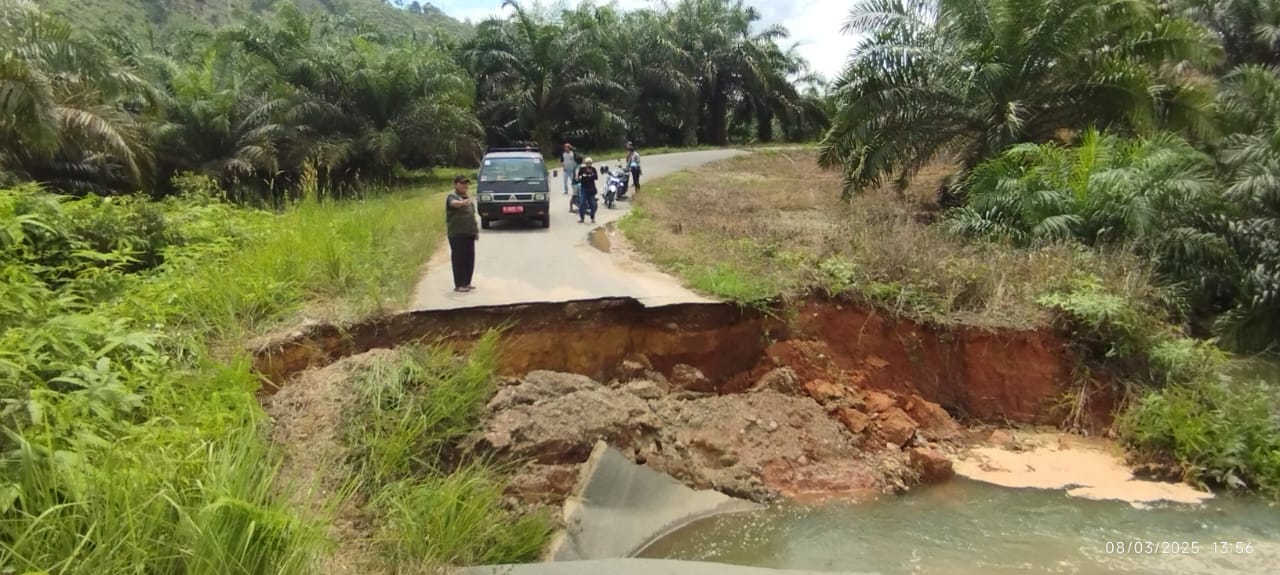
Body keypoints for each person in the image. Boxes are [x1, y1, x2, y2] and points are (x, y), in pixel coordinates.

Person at [445, 174, 479, 292]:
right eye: (462, 183)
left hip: (469, 233)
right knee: (459, 259)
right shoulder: (452, 196)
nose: (465, 185)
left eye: (466, 183)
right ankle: (459, 284)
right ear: (456, 184)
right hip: (457, 234)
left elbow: (472, 216)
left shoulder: (466, 197)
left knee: (469, 259)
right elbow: (453, 203)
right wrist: (463, 202)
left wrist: (475, 231)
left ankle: (467, 283)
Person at [576, 157, 599, 223]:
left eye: (590, 163)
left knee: (593, 205)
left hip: (591, 189)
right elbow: (578, 177)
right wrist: (582, 176)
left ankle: (592, 217)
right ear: (585, 163)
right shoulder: (582, 169)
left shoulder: (593, 169)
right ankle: (582, 218)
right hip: (584, 189)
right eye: (587, 163)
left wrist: (591, 175)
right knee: (582, 203)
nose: (588, 164)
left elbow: (596, 177)